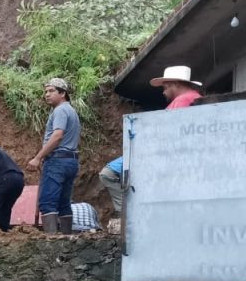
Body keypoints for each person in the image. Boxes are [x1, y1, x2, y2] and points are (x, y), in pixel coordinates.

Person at [98, 66, 202, 215]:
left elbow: (168, 131)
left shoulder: (183, 100)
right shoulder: (192, 97)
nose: (163, 91)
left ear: (176, 84)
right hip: (158, 150)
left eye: (165, 86)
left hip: (156, 151)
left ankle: (127, 216)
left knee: (108, 173)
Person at [27, 78, 80, 234]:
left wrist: (38, 158)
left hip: (57, 160)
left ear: (62, 93)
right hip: (71, 160)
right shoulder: (71, 111)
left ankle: (51, 241)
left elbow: (57, 136)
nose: (47, 95)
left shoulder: (60, 110)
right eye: (46, 91)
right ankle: (66, 240)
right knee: (64, 203)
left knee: (47, 202)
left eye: (51, 91)